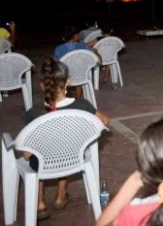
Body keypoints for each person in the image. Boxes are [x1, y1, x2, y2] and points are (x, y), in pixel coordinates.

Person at [24, 58, 110, 221]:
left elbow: (27, 154)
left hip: (43, 164)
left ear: (42, 85)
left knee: (37, 156)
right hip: (73, 159)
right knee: (66, 146)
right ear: (68, 82)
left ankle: (40, 202)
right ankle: (60, 195)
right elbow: (105, 120)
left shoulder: (34, 113)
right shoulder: (83, 105)